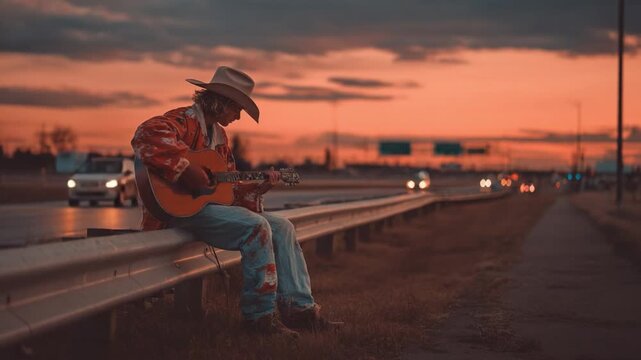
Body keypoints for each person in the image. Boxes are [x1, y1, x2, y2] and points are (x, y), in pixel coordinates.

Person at [131, 66, 340, 338]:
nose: (239, 116)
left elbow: (227, 191)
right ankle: (259, 318)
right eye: (237, 108)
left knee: (283, 227)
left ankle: (299, 310)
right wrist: (184, 169)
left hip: (207, 209)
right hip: (177, 210)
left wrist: (260, 184)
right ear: (222, 103)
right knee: (256, 227)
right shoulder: (183, 120)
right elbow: (145, 133)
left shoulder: (219, 138)